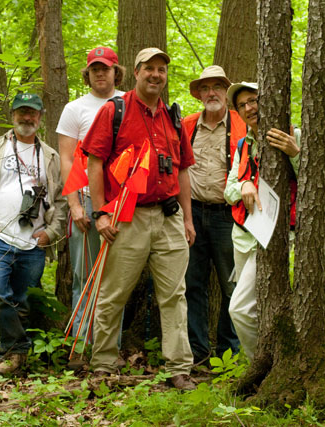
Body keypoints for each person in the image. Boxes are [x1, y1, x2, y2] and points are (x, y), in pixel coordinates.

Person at [81, 47, 196, 390]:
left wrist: (188, 220)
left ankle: (179, 367)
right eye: (149, 68)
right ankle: (102, 362)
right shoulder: (114, 111)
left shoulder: (173, 117)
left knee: (174, 296)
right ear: (135, 72)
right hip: (126, 218)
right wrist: (101, 213)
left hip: (169, 218)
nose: (156, 75)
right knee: (114, 292)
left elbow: (185, 170)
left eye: (161, 69)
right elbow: (94, 163)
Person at [0, 93, 66, 375]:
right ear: (12, 115)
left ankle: (16, 358)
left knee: (22, 300)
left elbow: (61, 200)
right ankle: (17, 349)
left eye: (32, 113)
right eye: (21, 112)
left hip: (34, 243)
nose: (26, 118)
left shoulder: (50, 156)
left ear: (40, 117)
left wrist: (52, 233)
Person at [224, 82, 300, 360]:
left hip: (274, 237)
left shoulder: (293, 135)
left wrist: (295, 154)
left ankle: (263, 365)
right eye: (242, 105)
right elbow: (229, 189)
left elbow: (315, 184)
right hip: (243, 236)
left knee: (240, 309)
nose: (249, 108)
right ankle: (261, 367)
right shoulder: (244, 145)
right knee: (256, 308)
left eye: (253, 100)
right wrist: (244, 185)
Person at [56, 47, 125, 348]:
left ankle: (109, 346)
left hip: (121, 204)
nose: (100, 73)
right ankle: (82, 344)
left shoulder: (127, 103)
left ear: (115, 72)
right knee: (84, 275)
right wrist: (73, 204)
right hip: (84, 200)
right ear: (87, 74)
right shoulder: (75, 109)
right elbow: (67, 159)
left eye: (105, 68)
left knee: (116, 277)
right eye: (94, 69)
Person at [181, 65, 246, 364]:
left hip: (227, 215)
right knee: (193, 284)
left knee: (231, 285)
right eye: (206, 88)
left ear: (226, 92)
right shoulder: (187, 125)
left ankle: (228, 353)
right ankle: (197, 352)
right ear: (199, 94)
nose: (211, 93)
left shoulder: (241, 124)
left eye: (217, 87)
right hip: (191, 212)